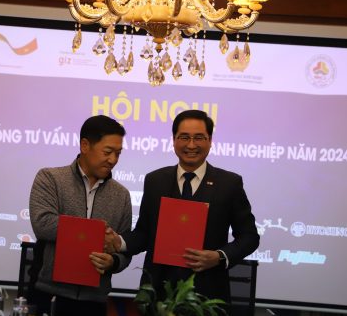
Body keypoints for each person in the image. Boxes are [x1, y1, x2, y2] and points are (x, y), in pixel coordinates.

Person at [107, 109, 259, 305]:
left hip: (207, 296)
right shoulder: (155, 180)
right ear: (174, 140)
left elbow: (249, 236)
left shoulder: (229, 184)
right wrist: (119, 242)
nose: (191, 145)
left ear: (210, 141)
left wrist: (219, 256)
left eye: (199, 138)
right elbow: (144, 233)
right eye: (184, 137)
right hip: (158, 294)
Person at [28, 115, 132, 316]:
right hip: (49, 295)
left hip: (95, 301)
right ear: (85, 145)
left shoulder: (121, 195)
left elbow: (124, 249)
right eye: (107, 152)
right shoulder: (50, 179)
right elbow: (43, 224)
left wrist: (113, 262)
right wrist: (97, 234)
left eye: (118, 153)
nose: (113, 160)